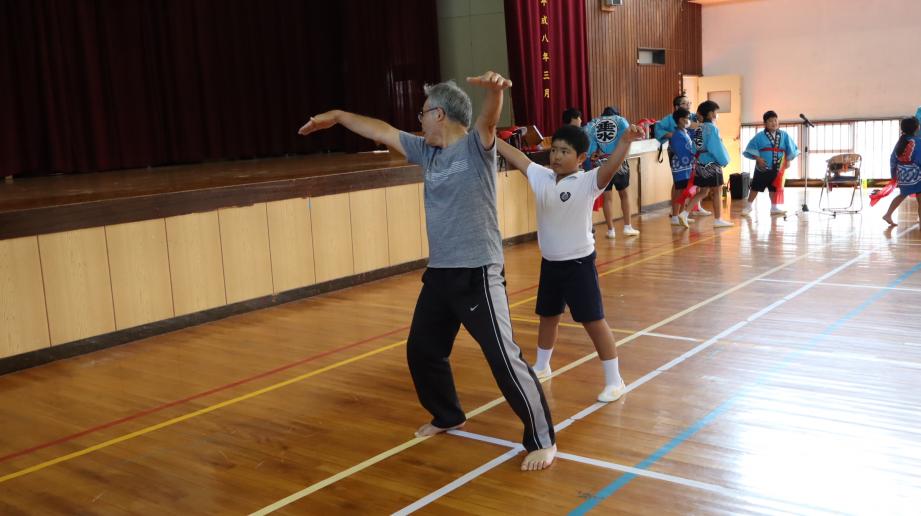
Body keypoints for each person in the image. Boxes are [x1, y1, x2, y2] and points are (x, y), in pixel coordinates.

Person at [298, 71, 557, 471]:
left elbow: (488, 120)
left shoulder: (476, 146)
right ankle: (448, 414)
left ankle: (541, 438)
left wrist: (493, 93)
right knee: (423, 351)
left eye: (421, 113)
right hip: (440, 274)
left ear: (438, 114)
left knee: (503, 358)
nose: (417, 120)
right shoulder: (427, 151)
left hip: (477, 273)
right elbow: (382, 131)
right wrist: (338, 114)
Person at [497, 123, 644, 402]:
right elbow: (516, 156)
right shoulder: (540, 176)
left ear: (580, 158)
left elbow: (612, 165)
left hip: (579, 265)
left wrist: (625, 141)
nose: (556, 156)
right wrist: (489, 136)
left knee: (593, 321)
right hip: (550, 264)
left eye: (565, 151)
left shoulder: (588, 181)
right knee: (548, 316)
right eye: (554, 150)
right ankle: (542, 366)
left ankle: (615, 379)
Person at [584, 107, 640, 238]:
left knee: (607, 198)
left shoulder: (594, 123)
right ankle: (627, 227)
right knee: (624, 194)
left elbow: (590, 146)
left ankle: (611, 230)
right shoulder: (620, 121)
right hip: (619, 162)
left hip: (602, 164)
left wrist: (593, 154)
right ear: (616, 114)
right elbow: (628, 138)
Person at [656, 95, 710, 222]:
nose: (688, 105)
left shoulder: (691, 117)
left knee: (690, 182)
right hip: (678, 153)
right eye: (685, 103)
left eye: (689, 103)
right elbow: (658, 129)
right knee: (679, 185)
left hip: (691, 152)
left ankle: (688, 210)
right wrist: (672, 135)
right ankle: (676, 213)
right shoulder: (670, 119)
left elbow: (699, 127)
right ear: (677, 106)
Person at [685, 100, 734, 228]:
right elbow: (715, 147)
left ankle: (684, 214)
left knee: (703, 192)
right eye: (716, 112)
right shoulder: (712, 128)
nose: (717, 115)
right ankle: (718, 220)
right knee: (716, 191)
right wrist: (724, 160)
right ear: (711, 113)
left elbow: (694, 147)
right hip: (712, 163)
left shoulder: (699, 128)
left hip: (700, 162)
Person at [741, 110, 799, 216]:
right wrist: (758, 159)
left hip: (777, 167)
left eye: (775, 120)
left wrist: (788, 160)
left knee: (774, 187)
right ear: (765, 123)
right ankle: (748, 206)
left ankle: (774, 207)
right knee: (756, 187)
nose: (774, 123)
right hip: (762, 167)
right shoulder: (759, 136)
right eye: (770, 121)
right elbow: (751, 148)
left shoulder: (784, 135)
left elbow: (790, 148)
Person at [882, 116, 921, 226]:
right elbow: (919, 159)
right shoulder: (918, 141)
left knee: (902, 194)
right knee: (920, 196)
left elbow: (893, 159)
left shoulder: (901, 141)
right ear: (917, 128)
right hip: (916, 175)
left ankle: (888, 214)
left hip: (902, 175)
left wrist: (894, 175)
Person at [668, 108, 696, 228]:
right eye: (687, 118)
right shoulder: (677, 134)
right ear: (680, 120)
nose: (689, 120)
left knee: (683, 191)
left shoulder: (683, 131)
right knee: (679, 191)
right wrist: (692, 157)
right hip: (680, 166)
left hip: (686, 166)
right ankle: (675, 216)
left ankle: (679, 215)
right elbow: (682, 152)